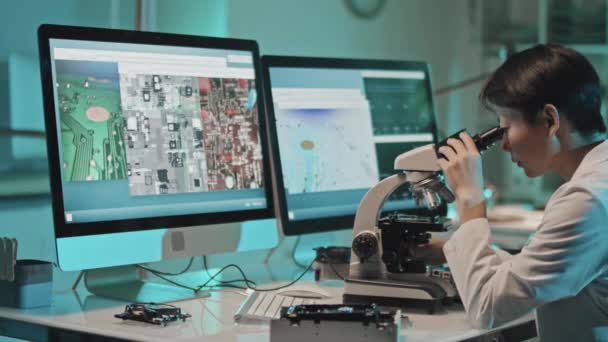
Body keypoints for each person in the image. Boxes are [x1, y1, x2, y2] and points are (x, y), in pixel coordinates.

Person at [416, 44, 608, 341]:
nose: (504, 145)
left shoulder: (587, 200)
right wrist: (451, 249)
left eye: (506, 128)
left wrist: (470, 199)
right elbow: (540, 269)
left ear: (549, 120)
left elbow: (487, 308)